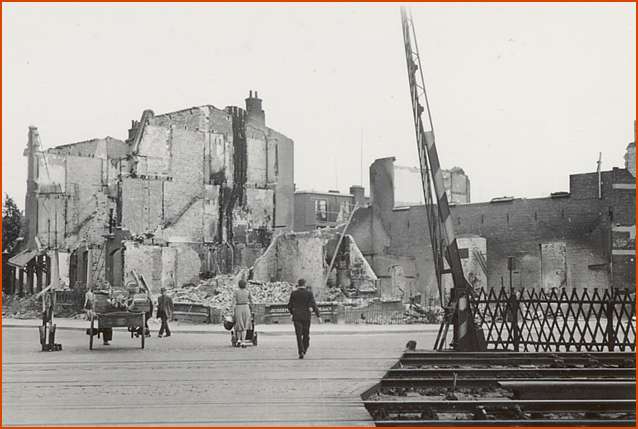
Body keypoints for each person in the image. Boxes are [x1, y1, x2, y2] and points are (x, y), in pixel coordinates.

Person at [287, 278, 321, 359]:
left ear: (298, 285)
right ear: (305, 284)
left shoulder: (294, 293)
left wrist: (292, 313)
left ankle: (300, 351)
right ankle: (304, 348)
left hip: (297, 317)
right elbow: (313, 304)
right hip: (306, 317)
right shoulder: (309, 293)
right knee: (306, 335)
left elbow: (289, 305)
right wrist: (318, 316)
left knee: (298, 335)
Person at [232, 280, 253, 348]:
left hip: (238, 307)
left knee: (238, 325)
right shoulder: (247, 292)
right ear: (245, 285)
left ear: (239, 285)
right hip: (246, 308)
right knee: (245, 325)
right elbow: (251, 301)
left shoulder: (236, 292)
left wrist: (232, 310)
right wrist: (252, 309)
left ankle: (238, 340)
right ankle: (243, 342)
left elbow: (233, 302)